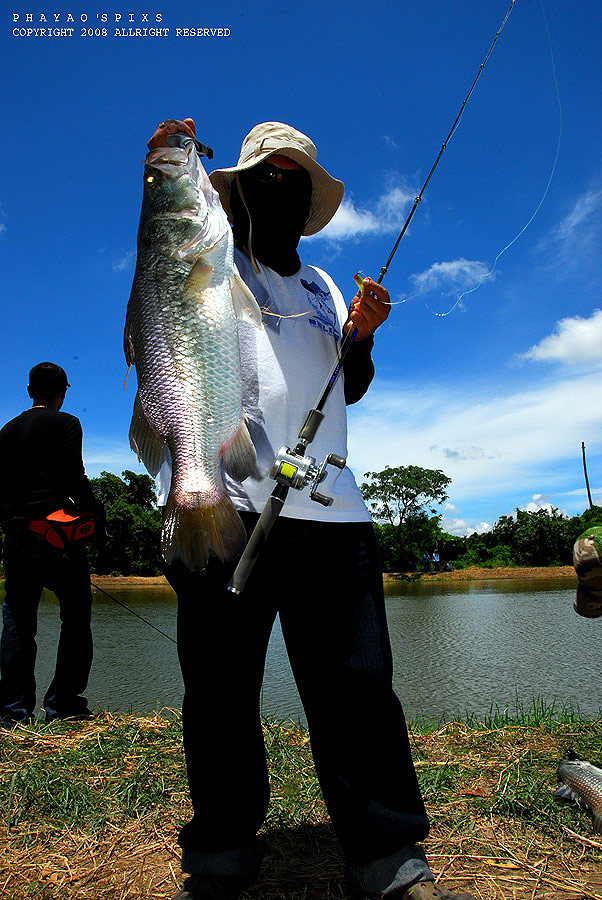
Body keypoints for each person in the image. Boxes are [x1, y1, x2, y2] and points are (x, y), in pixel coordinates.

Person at [148, 120, 477, 900]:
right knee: (219, 695)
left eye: (294, 179)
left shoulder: (328, 287)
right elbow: (164, 305)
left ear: (310, 199)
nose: (280, 189)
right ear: (233, 192)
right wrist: (166, 164)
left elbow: (347, 386)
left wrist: (361, 338)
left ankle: (388, 857)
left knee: (359, 692)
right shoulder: (207, 261)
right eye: (265, 176)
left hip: (335, 513)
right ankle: (221, 851)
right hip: (225, 504)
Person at [0, 362, 104, 724]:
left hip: (16, 536)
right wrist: (97, 517)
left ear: (30, 390)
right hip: (58, 535)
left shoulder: (6, 431)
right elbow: (72, 478)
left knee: (17, 619)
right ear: (63, 392)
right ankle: (63, 705)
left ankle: (13, 712)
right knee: (75, 618)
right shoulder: (66, 423)